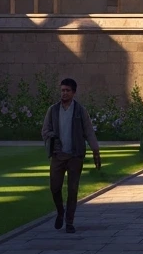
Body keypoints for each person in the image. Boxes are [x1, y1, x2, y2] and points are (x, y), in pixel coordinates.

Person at [41, 78, 103, 233]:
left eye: (67, 90)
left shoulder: (80, 111)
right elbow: (44, 130)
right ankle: (60, 212)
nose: (64, 93)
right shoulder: (53, 110)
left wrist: (96, 151)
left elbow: (89, 131)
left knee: (73, 189)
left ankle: (69, 221)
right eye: (62, 90)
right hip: (58, 154)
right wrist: (52, 135)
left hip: (75, 155)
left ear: (73, 92)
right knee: (55, 187)